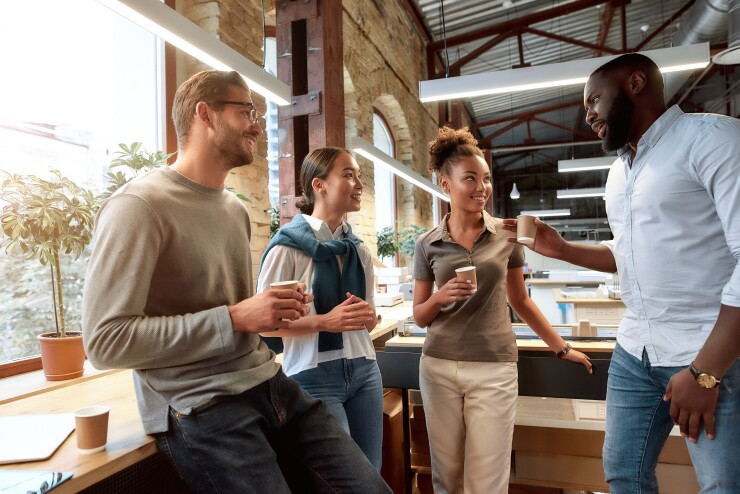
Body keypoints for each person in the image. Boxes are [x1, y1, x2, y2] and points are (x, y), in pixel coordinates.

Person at [82, 70, 391, 494]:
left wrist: (265, 311)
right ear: (204, 114)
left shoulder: (233, 209)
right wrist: (234, 317)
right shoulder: (138, 206)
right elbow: (104, 341)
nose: (257, 124)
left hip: (268, 382)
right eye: (246, 111)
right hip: (202, 403)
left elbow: (240, 317)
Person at [503, 53, 740, 492]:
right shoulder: (619, 173)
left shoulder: (712, 139)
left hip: (708, 351)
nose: (587, 113)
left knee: (723, 487)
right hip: (635, 351)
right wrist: (562, 249)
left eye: (594, 98)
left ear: (635, 83)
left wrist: (706, 371)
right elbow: (627, 251)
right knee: (623, 475)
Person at [412, 126, 593, 493]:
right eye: (470, 179)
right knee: (446, 477)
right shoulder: (427, 244)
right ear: (446, 184)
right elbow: (420, 315)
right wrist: (440, 297)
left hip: (494, 368)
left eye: (486, 178)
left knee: (487, 481)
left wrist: (562, 347)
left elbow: (521, 300)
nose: (482, 187)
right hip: (438, 367)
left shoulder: (509, 236)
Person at [256, 147, 383, 470]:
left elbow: (365, 323)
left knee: (371, 472)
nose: (359, 184)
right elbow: (265, 326)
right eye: (348, 175)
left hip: (364, 371)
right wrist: (325, 321)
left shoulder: (359, 250)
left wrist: (368, 317)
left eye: (359, 176)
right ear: (319, 185)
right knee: (341, 479)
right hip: (312, 376)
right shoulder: (287, 248)